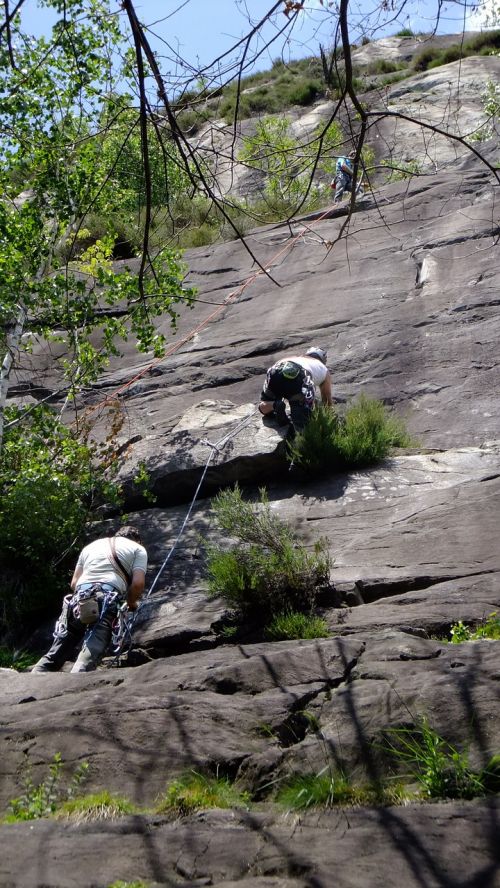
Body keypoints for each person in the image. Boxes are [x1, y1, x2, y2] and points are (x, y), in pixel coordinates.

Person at [32, 526, 148, 673]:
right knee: (94, 644)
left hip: (79, 597)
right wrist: (131, 603)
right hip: (107, 597)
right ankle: (77, 679)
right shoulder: (137, 548)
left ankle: (38, 672)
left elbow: (74, 583)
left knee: (64, 641)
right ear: (137, 540)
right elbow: (138, 583)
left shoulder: (90, 547)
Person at [259, 346, 332, 432]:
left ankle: (275, 405)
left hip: (277, 370)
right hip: (300, 376)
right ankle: (299, 431)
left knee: (264, 404)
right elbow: (326, 400)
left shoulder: (294, 357)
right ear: (323, 360)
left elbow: (275, 368)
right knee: (301, 420)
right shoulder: (324, 369)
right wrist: (328, 419)